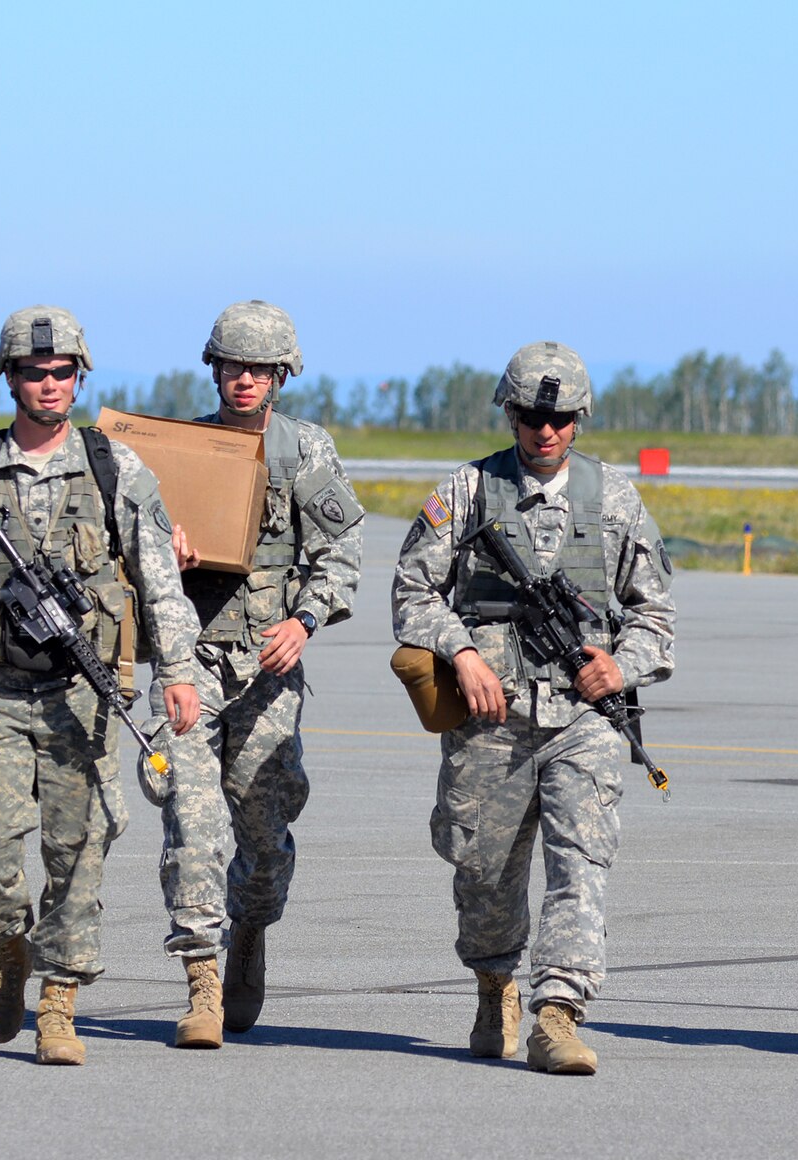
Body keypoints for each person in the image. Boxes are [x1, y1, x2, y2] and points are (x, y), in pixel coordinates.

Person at [0, 306, 202, 1066]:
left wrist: (178, 673)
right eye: (35, 372)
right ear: (10, 379)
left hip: (82, 695)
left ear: (79, 377)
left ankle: (59, 1000)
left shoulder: (115, 468)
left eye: (63, 372)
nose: (50, 384)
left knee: (79, 849)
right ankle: (7, 946)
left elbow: (159, 579)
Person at [390, 342, 674, 1074]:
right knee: (482, 872)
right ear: (509, 413)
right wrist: (463, 652)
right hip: (492, 720)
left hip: (583, 720)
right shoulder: (468, 491)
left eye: (559, 418)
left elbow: (654, 617)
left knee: (582, 863)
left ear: (579, 420)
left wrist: (623, 664)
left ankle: (558, 1012)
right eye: (529, 416)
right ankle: (495, 982)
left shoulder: (614, 499)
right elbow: (411, 591)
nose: (544, 431)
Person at [148, 300, 364, 1047]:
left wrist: (304, 621)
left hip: (269, 670)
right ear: (213, 369)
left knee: (263, 834)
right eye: (233, 366)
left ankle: (251, 926)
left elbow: (340, 553)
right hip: (190, 659)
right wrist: (160, 552)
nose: (244, 380)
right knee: (192, 819)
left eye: (260, 369)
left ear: (282, 375)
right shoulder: (178, 452)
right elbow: (127, 559)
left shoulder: (303, 452)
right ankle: (202, 977)